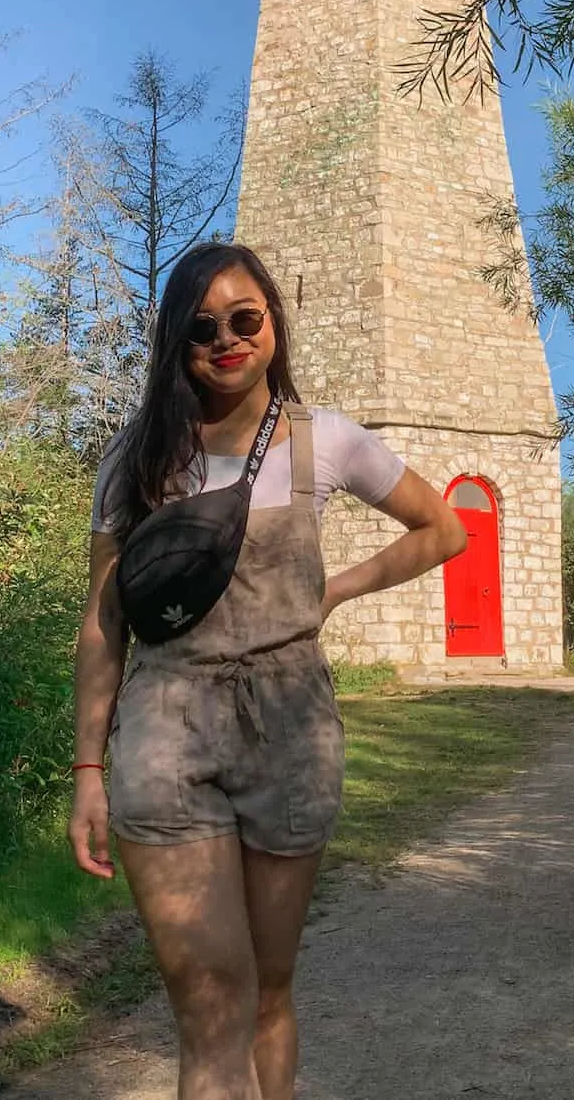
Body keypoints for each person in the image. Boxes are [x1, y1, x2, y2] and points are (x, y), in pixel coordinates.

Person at [69, 241, 466, 1100]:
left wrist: (335, 591)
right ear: (177, 342)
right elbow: (105, 623)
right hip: (165, 737)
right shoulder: (135, 461)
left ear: (273, 326)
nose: (227, 340)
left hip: (291, 731)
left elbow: (445, 529)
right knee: (210, 1006)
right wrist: (88, 768)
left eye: (245, 319)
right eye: (202, 327)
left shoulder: (327, 441)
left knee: (267, 997)